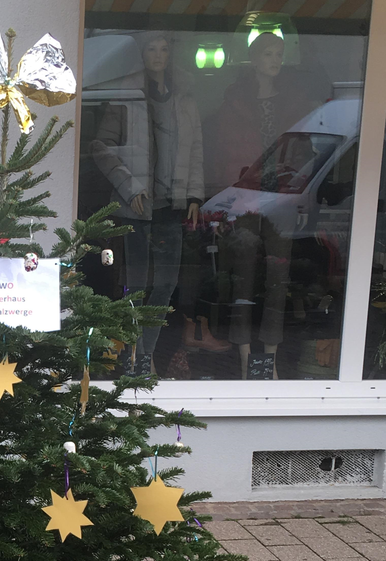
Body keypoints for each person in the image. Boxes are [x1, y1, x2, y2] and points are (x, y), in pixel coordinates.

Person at [92, 32, 218, 371]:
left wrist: (194, 194)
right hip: (136, 207)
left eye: (164, 48)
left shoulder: (185, 96)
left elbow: (195, 149)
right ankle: (131, 354)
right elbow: (101, 146)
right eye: (151, 48)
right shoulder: (126, 94)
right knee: (135, 285)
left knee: (166, 284)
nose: (158, 55)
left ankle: (143, 355)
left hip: (172, 205)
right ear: (142, 53)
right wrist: (130, 187)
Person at [208, 32, 312, 378]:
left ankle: (270, 358)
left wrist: (295, 187)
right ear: (254, 60)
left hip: (281, 200)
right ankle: (244, 356)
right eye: (268, 54)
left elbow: (302, 152)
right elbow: (225, 152)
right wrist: (236, 193)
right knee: (244, 277)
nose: (275, 60)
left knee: (278, 278)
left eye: (279, 54)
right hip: (246, 200)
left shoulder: (293, 102)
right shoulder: (236, 101)